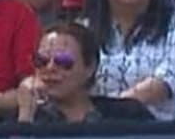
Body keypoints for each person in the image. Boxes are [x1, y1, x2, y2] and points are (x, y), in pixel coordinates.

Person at [17, 21, 156, 122]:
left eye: (63, 62)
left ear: (90, 68)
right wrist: (25, 116)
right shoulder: (29, 117)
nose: (50, 68)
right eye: (41, 61)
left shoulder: (127, 114)